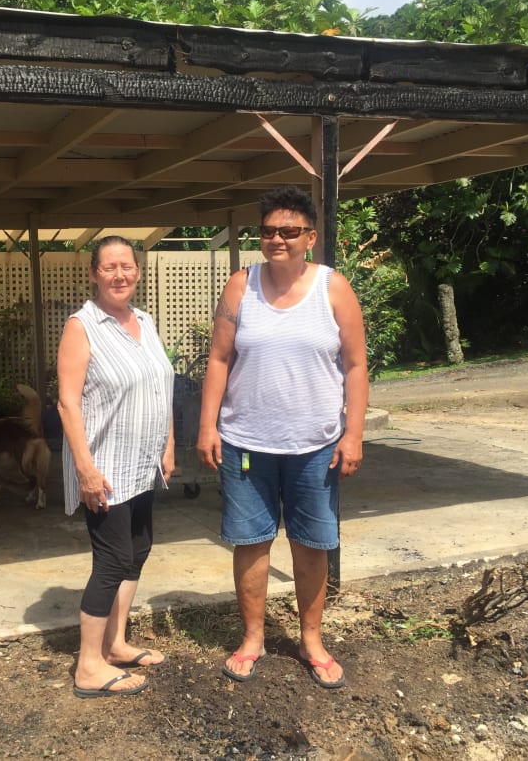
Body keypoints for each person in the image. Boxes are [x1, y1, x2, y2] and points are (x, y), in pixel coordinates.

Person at [196, 185, 368, 689]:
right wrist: (207, 426)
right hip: (246, 442)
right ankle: (253, 638)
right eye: (269, 231)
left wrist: (353, 434)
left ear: (309, 238)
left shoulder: (333, 288)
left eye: (289, 231)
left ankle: (311, 639)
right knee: (250, 542)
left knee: (312, 545)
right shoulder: (240, 286)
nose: (277, 239)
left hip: (316, 444)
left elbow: (356, 366)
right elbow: (219, 359)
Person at [56, 235, 176, 699]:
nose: (120, 274)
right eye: (109, 267)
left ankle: (116, 643)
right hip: (104, 467)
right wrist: (84, 469)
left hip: (142, 464)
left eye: (127, 266)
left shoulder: (145, 320)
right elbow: (68, 403)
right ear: (93, 273)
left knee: (138, 548)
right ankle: (89, 665)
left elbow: (160, 386)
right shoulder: (81, 327)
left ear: (138, 271)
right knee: (111, 559)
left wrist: (167, 445)